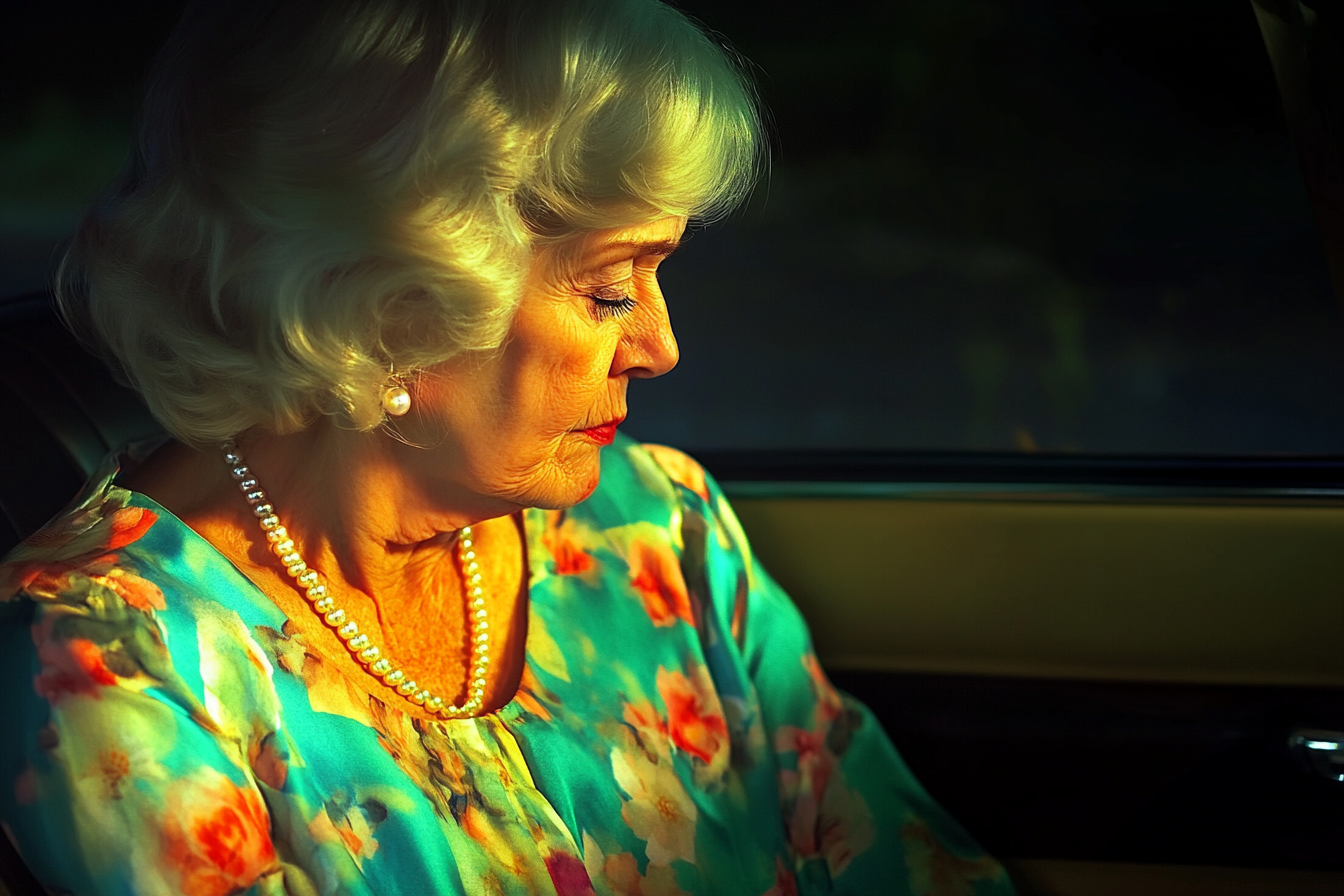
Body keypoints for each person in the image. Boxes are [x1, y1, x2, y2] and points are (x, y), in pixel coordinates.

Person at [0, 1, 1014, 893]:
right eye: (612, 286)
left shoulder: (662, 531)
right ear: (389, 298)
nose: (662, 346)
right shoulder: (104, 659)